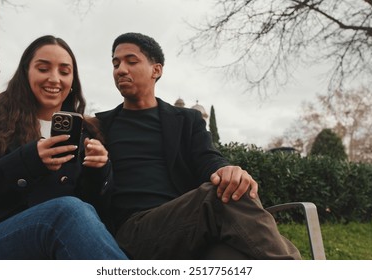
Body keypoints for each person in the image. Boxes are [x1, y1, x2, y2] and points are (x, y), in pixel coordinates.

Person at [95, 32, 301, 260]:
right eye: (116, 63)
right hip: (133, 233)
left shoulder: (186, 120)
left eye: (131, 62)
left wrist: (226, 170)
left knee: (231, 209)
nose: (121, 69)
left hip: (189, 229)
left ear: (156, 70)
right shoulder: (100, 126)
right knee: (219, 195)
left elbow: (208, 159)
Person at [0, 35, 127, 260]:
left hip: (51, 248)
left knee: (71, 211)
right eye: (43, 68)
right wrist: (27, 161)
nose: (54, 78)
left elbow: (93, 217)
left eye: (64, 71)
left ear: (72, 83)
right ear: (25, 74)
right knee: (65, 212)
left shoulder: (86, 133)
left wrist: (99, 171)